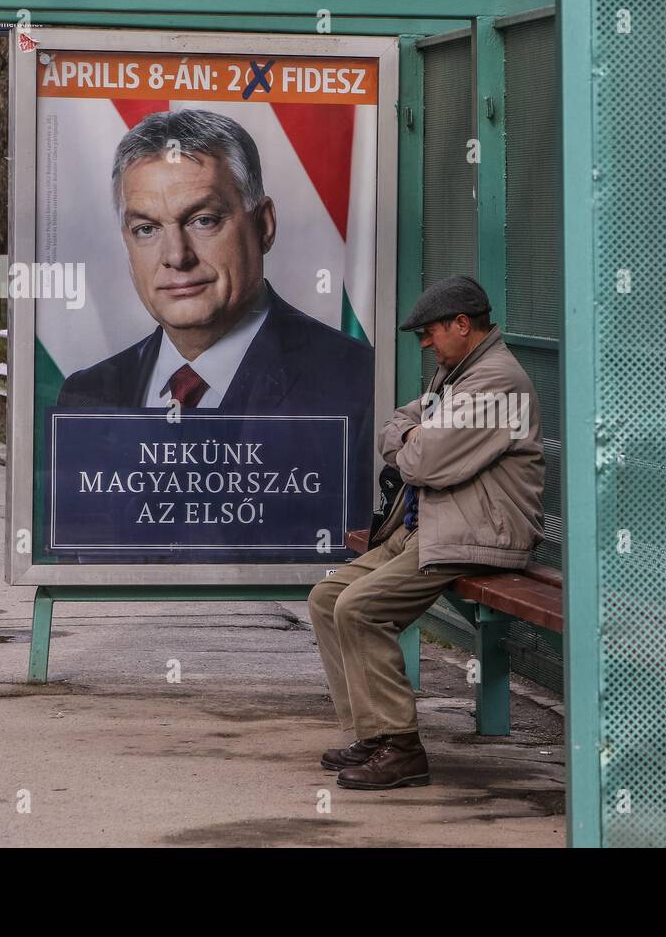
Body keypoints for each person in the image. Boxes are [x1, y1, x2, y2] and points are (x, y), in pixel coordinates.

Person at [55, 108, 373, 526]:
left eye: (203, 220)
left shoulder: (358, 385)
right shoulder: (85, 396)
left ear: (264, 225)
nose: (176, 257)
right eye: (147, 229)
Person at [307, 274, 546, 790]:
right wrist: (414, 435)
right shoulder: (458, 373)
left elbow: (422, 461)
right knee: (328, 596)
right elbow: (399, 424)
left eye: (430, 333)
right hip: (435, 526)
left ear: (463, 324)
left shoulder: (497, 382)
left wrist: (414, 439)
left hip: (477, 534)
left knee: (360, 607)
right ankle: (373, 734)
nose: (425, 344)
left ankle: (402, 748)